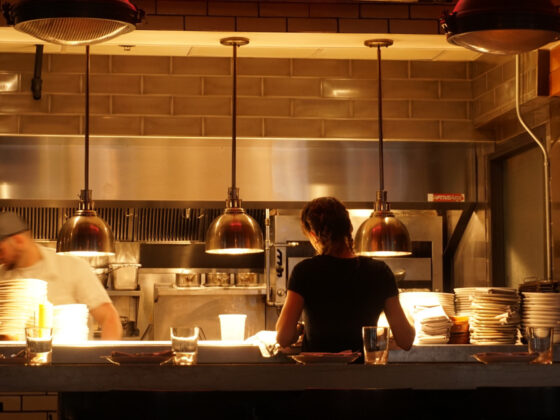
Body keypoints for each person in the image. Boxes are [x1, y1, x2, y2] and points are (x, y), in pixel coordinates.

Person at [276, 197, 415, 352]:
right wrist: (412, 322)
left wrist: (297, 332)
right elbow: (405, 340)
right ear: (349, 228)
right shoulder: (380, 272)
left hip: (317, 374)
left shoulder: (304, 272)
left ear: (313, 234)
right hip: (363, 373)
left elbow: (283, 337)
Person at [0, 212, 122, 340]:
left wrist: (103, 358)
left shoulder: (71, 267)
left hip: (72, 359)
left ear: (19, 241)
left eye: (1, 250)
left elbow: (109, 318)